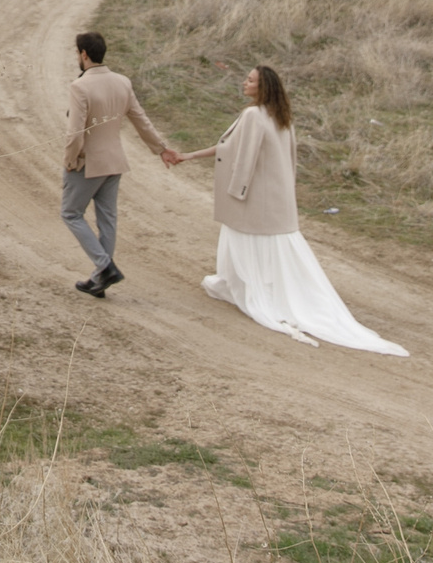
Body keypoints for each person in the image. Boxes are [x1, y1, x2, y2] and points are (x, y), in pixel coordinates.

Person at [170, 65, 406, 355]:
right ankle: (251, 288)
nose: (244, 83)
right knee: (273, 249)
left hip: (254, 199)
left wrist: (236, 191)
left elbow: (241, 157)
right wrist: (192, 155)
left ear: (262, 87)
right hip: (278, 201)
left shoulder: (253, 115)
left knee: (241, 241)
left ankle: (245, 289)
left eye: (250, 80)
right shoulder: (281, 117)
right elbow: (247, 150)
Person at [61, 30, 179, 299]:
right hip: (115, 162)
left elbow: (75, 132)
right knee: (108, 219)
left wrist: (70, 160)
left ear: (84, 54)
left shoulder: (80, 86)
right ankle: (98, 279)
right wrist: (160, 148)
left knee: (70, 213)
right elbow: (140, 119)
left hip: (88, 163)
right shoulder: (122, 82)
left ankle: (105, 267)